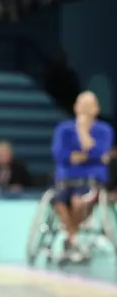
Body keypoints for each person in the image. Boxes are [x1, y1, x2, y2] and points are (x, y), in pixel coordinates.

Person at [51, 91, 114, 262]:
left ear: (97, 109)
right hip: (66, 179)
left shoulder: (104, 130)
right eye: (82, 105)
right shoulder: (63, 130)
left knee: (79, 202)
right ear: (75, 107)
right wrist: (85, 155)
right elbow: (60, 155)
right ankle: (74, 239)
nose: (85, 109)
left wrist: (83, 132)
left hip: (91, 179)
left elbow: (100, 153)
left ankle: (70, 240)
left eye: (89, 105)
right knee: (59, 201)